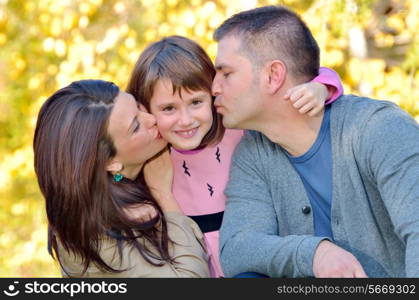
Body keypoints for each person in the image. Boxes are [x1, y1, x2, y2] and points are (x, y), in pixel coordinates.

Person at [214, 5, 419, 278]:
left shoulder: (378, 128)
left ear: (273, 76)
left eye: (226, 74)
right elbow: (237, 249)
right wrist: (314, 254)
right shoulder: (253, 153)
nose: (214, 88)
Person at [126, 35, 343, 277]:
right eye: (169, 108)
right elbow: (112, 175)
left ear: (213, 93)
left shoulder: (237, 129)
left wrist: (320, 88)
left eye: (196, 102)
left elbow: (315, 75)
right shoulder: (153, 157)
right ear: (145, 109)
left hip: (260, 261)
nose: (185, 120)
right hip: (195, 266)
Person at [33, 79, 210, 277]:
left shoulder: (130, 181)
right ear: (109, 163)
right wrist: (162, 194)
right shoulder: (98, 240)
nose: (151, 119)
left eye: (138, 106)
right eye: (136, 126)